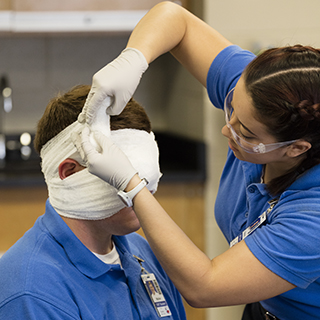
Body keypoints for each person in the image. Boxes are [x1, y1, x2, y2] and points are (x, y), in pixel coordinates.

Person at [74, 2, 320, 320]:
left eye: (244, 133)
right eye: (230, 107)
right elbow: (175, 20)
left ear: (296, 149)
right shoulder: (262, 93)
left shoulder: (312, 215)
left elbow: (205, 287)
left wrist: (132, 187)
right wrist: (133, 60)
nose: (226, 129)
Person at [0, 84, 186, 320]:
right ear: (69, 172)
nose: (143, 188)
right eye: (126, 171)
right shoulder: (32, 294)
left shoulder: (146, 253)